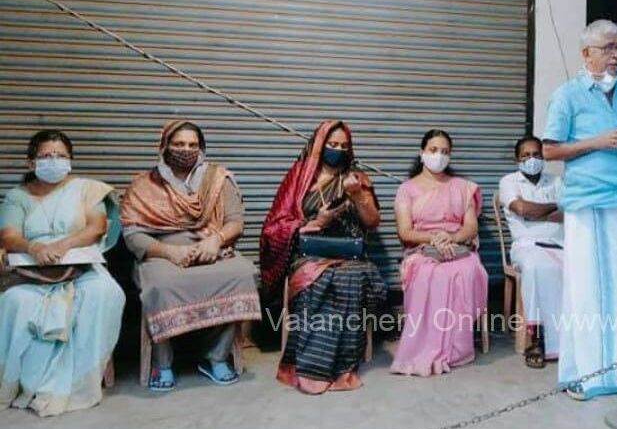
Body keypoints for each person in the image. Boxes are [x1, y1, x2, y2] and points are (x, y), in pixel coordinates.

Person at [541, 19, 617, 400]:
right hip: (587, 201)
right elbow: (550, 149)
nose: (615, 54)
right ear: (586, 53)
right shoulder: (567, 95)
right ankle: (585, 375)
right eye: (607, 47)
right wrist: (598, 141)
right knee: (587, 288)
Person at [121, 121, 261, 391]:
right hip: (162, 253)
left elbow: (235, 222)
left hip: (211, 247)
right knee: (161, 284)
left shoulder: (218, 179)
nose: (186, 150)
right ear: (165, 146)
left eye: (192, 145)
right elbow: (133, 234)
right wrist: (169, 252)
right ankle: (162, 363)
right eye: (179, 144)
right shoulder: (143, 185)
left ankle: (216, 357)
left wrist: (216, 240)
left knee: (243, 274)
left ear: (201, 148)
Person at [0, 130, 125, 416]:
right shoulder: (17, 196)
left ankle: (80, 380)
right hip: (31, 271)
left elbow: (96, 228)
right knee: (15, 302)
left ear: (70, 160)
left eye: (60, 156)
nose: (53, 161)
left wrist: (63, 245)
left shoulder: (87, 188)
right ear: (31, 162)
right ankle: (31, 382)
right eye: (46, 156)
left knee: (105, 292)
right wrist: (34, 247)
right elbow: (8, 235)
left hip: (81, 265)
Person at [260, 120, 386, 393]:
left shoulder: (357, 178)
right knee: (317, 279)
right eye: (332, 144)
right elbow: (275, 224)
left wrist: (356, 195)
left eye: (343, 146)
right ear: (319, 144)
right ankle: (312, 367)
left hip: (350, 253)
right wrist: (316, 221)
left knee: (350, 278)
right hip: (309, 252)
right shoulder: (298, 177)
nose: (337, 150)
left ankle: (340, 366)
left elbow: (372, 221)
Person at [391, 130, 488, 376]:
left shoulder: (463, 188)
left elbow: (471, 227)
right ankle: (425, 347)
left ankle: (457, 349)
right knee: (428, 274)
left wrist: (451, 238)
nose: (439, 156)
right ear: (422, 153)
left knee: (466, 271)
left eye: (445, 151)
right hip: (422, 249)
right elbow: (405, 232)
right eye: (433, 150)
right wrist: (434, 238)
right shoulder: (407, 189)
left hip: (458, 246)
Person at [498, 135, 564, 368]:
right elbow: (522, 209)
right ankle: (537, 340)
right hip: (527, 246)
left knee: (583, 267)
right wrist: (554, 206)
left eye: (536, 154)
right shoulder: (509, 182)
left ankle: (571, 339)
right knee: (538, 268)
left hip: (560, 245)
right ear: (517, 159)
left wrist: (537, 212)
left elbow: (569, 212)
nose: (531, 159)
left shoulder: (556, 181)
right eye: (525, 155)